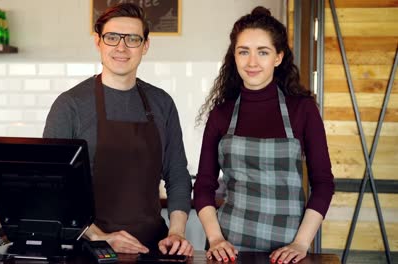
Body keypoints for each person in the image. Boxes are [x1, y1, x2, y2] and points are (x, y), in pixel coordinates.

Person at [43, 3, 193, 256]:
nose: (121, 47)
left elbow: (177, 174)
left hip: (152, 248)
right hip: (89, 248)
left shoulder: (162, 103)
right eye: (112, 37)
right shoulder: (70, 105)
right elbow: (53, 185)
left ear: (145, 45)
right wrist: (100, 237)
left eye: (132, 39)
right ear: (98, 42)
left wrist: (176, 232)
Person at [193, 6, 335, 264]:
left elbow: (324, 183)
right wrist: (215, 239)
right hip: (229, 248)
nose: (252, 62)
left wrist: (301, 243)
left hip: (288, 251)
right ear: (234, 56)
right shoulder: (221, 114)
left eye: (263, 52)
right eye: (243, 51)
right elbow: (203, 185)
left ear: (278, 57)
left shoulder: (302, 109)